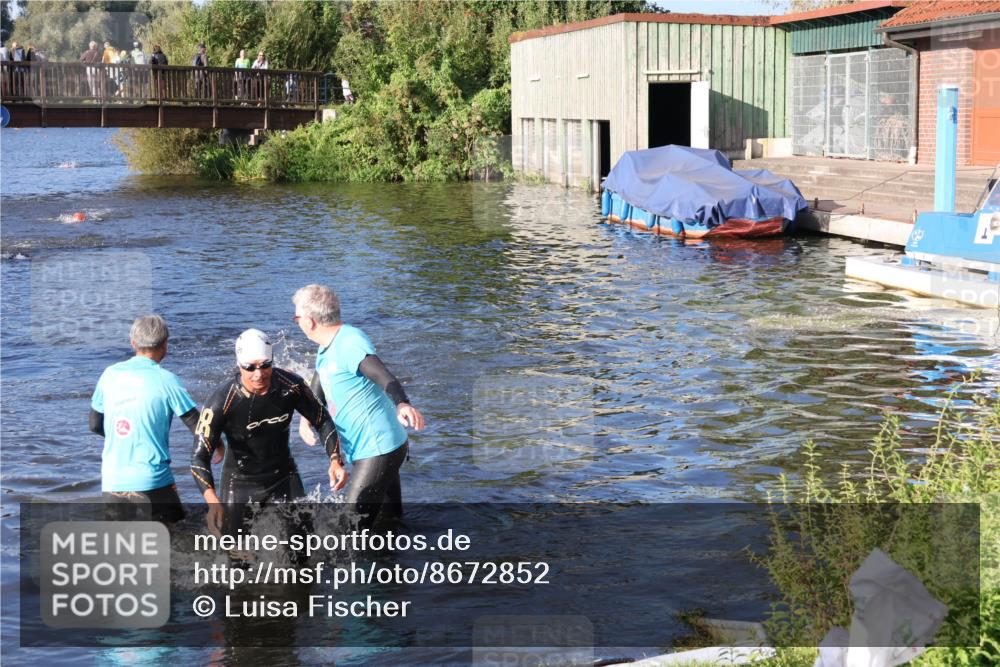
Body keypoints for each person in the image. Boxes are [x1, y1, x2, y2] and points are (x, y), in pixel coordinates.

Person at [191, 329, 343, 542]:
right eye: (250, 367)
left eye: (265, 365)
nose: (258, 374)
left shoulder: (291, 386)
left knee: (302, 551)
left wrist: (335, 460)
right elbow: (199, 458)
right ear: (239, 365)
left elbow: (322, 419)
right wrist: (212, 502)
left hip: (284, 477)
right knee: (237, 559)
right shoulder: (222, 400)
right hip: (240, 483)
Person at [293, 285, 425, 528]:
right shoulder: (328, 346)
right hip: (380, 446)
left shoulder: (350, 342)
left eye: (297, 317)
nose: (297, 323)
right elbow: (319, 382)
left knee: (350, 529)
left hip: (377, 449)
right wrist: (305, 418)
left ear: (310, 321)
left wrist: (402, 403)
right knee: (388, 525)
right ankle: (395, 565)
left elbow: (382, 375)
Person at [90, 315, 201, 524]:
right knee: (178, 536)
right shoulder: (166, 380)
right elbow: (198, 426)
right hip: (153, 481)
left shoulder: (109, 374)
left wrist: (125, 436)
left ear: (133, 343)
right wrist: (220, 446)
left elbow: (95, 424)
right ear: (165, 344)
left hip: (113, 481)